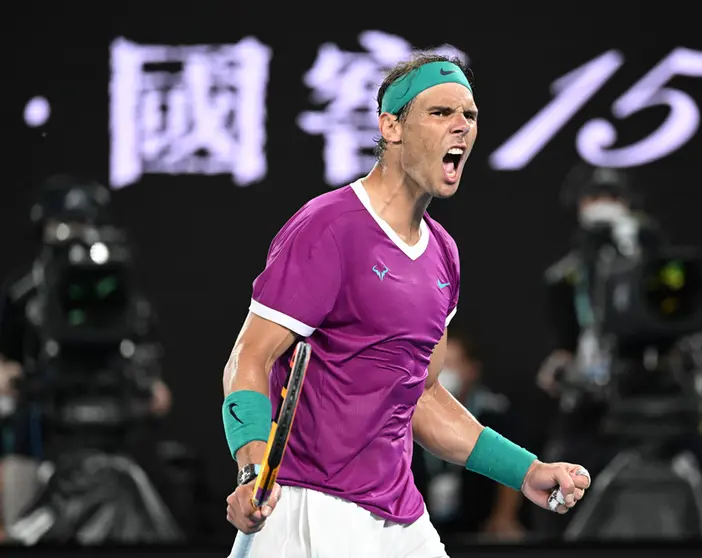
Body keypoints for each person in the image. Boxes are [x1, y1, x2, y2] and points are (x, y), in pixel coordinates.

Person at [222, 52, 592, 558]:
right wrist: (251, 469)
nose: (461, 126)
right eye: (441, 113)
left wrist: (526, 471)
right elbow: (250, 357)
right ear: (391, 126)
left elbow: (421, 397)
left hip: (400, 516)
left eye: (470, 115)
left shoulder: (443, 254)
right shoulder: (327, 226)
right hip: (308, 506)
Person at [0, 175, 173, 542]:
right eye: (62, 225)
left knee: (131, 500)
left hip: (118, 438)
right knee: (21, 533)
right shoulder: (22, 298)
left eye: (82, 224)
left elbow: (147, 357)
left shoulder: (122, 293)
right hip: (38, 437)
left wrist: (148, 382)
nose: (73, 235)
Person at [412, 328, 527, 541]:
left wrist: (504, 516)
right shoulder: (409, 410)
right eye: (441, 364)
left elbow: (509, 469)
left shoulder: (494, 413)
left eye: (452, 365)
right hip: (423, 523)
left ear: (472, 369)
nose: (445, 372)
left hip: (477, 525)